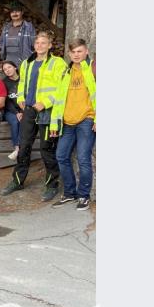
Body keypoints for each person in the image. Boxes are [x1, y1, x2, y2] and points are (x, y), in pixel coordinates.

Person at [1, 32, 67, 201]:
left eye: (43, 43)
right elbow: (22, 83)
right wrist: (21, 98)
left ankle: (52, 185)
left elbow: (62, 88)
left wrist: (45, 102)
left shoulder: (58, 63)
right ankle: (17, 181)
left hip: (47, 112)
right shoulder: (27, 63)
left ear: (50, 45)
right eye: (37, 43)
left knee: (46, 149)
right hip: (29, 110)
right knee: (23, 147)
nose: (39, 46)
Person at [49, 39, 96, 211]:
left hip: (86, 120)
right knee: (61, 156)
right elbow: (58, 100)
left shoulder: (93, 68)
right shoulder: (65, 72)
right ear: (69, 54)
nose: (76, 55)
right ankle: (69, 193)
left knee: (83, 158)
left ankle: (84, 195)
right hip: (67, 122)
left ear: (86, 51)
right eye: (73, 52)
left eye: (79, 51)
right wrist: (54, 124)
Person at [1, 60, 22, 160]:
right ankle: (17, 148)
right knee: (15, 121)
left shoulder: (24, 79)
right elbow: (7, 102)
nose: (7, 70)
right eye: (5, 69)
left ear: (15, 67)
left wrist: (23, 111)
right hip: (10, 110)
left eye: (9, 67)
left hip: (25, 109)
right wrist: (16, 112)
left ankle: (21, 149)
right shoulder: (4, 83)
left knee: (24, 121)